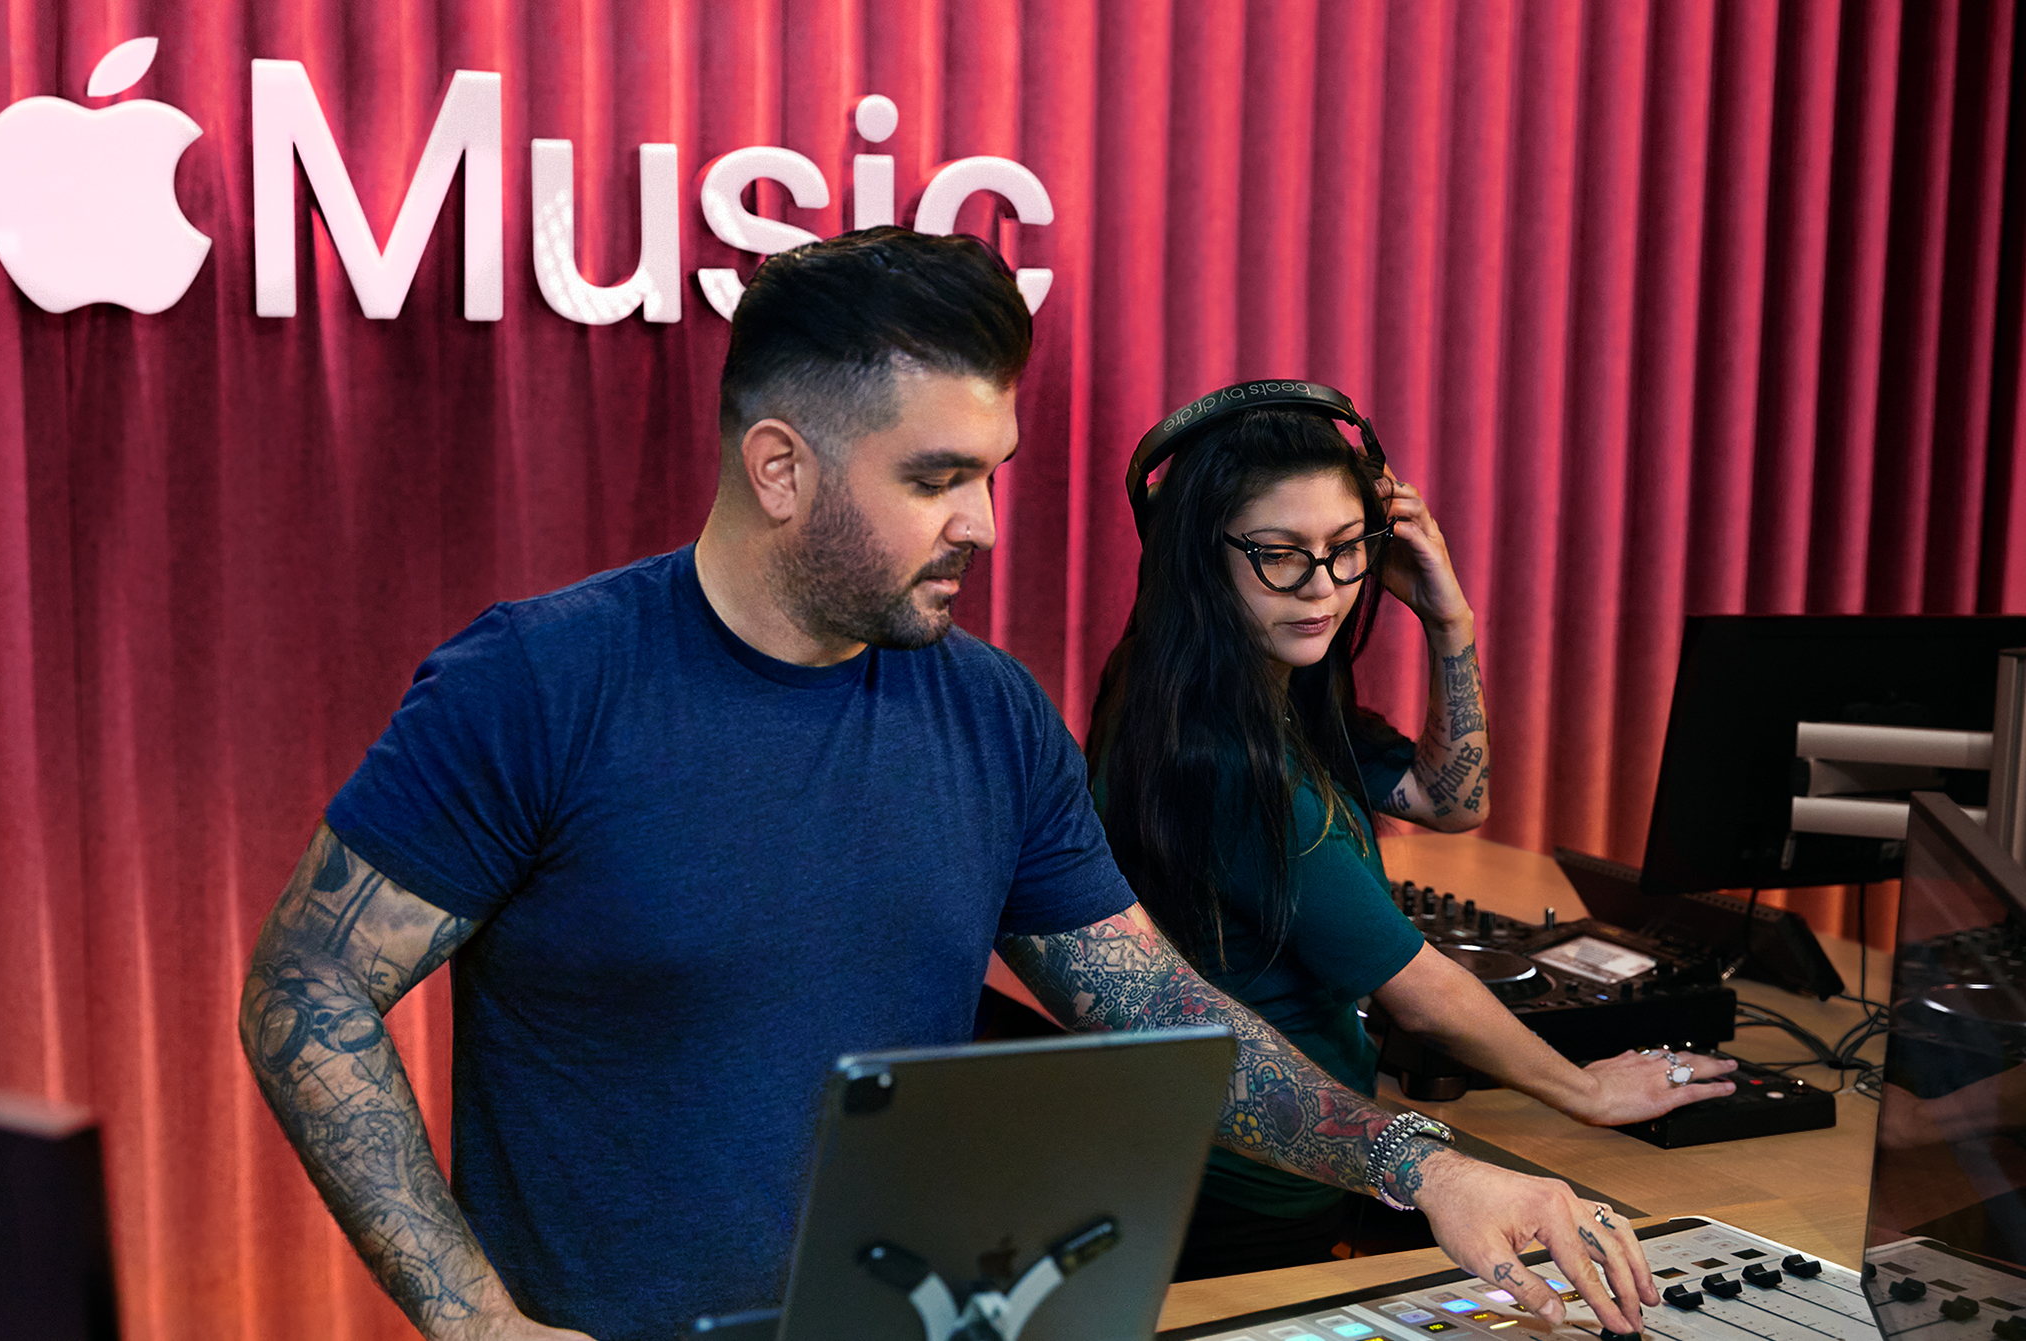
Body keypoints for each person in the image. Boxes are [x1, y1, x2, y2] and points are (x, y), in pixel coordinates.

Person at [239, 231, 1660, 1341]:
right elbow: (306, 992)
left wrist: (1428, 1164)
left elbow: (1153, 1010)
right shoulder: (536, 684)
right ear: (780, 468)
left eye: (995, 472)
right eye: (937, 478)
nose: (983, 522)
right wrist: (468, 1313)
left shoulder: (987, 712)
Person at [1086, 386, 1740, 1280]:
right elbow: (1418, 988)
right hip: (1249, 1189)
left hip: (1244, 1164)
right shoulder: (1217, 754)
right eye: (1280, 556)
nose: (1323, 588)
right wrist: (1585, 1090)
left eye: (1348, 549)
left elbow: (1448, 798)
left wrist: (1448, 617)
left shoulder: (1248, 681)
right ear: (1195, 557)